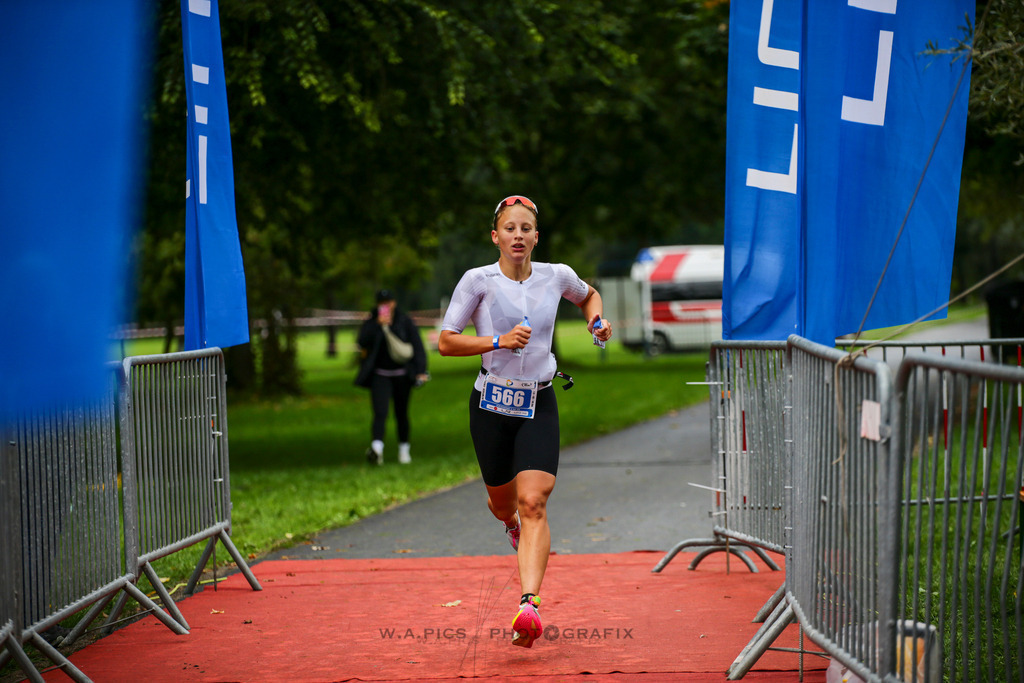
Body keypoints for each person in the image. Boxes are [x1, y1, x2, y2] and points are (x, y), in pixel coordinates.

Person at [437, 195, 612, 648]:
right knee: (503, 504)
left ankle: (529, 605)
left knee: (533, 500)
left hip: (538, 401)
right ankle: (509, 523)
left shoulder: (557, 276)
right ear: (495, 236)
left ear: (536, 236)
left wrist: (596, 320)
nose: (518, 235)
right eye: (509, 228)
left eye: (526, 228)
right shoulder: (478, 281)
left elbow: (588, 294)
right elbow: (445, 343)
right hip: (491, 405)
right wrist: (497, 340)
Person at [355, 289, 429, 464]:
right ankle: (377, 449)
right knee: (380, 413)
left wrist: (421, 370)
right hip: (379, 375)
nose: (385, 306)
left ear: (394, 303)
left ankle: (404, 450)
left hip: (402, 375)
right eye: (382, 303)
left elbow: (417, 347)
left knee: (401, 413)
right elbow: (362, 341)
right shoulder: (371, 322)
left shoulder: (404, 321)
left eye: (388, 302)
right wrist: (378, 326)